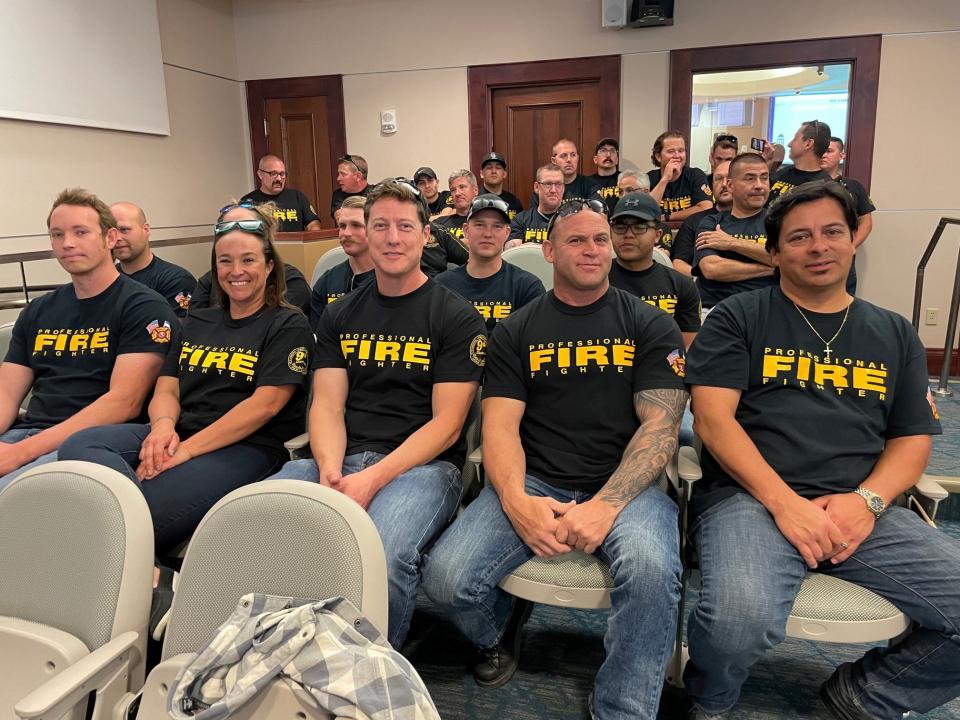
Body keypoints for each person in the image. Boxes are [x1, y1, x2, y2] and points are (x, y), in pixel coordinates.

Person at [683, 180, 959, 720]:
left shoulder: (894, 333)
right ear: (775, 252)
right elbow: (713, 423)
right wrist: (786, 504)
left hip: (861, 507)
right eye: (800, 237)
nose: (819, 247)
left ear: (854, 238)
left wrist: (867, 502)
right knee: (736, 619)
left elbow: (912, 440)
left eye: (833, 232)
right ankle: (709, 700)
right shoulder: (741, 318)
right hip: (751, 499)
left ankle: (868, 695)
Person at [423, 197, 688, 719]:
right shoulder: (517, 330)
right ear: (547, 250)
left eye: (600, 240)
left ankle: (622, 709)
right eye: (576, 240)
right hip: (537, 479)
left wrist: (605, 506)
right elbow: (499, 428)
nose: (592, 250)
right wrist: (518, 501)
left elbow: (661, 428)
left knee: (654, 572)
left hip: (624, 489)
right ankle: (501, 628)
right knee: (446, 581)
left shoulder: (650, 325)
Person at [268, 179, 487, 650]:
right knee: (261, 521)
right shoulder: (340, 313)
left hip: (422, 469)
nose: (392, 238)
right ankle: (284, 652)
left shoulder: (456, 315)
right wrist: (330, 470)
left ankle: (371, 669)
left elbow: (447, 424)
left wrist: (372, 480)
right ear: (365, 233)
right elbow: (326, 404)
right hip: (339, 458)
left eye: (405, 227)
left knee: (381, 554)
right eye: (381, 225)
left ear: (426, 235)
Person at [59, 201, 315, 554]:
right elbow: (167, 386)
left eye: (248, 260)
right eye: (225, 261)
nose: (236, 271)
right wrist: (163, 428)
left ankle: (118, 549)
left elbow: (264, 406)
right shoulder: (198, 320)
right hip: (180, 432)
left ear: (270, 266)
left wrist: (186, 452)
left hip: (246, 446)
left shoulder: (288, 323)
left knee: (140, 511)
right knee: (80, 445)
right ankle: (119, 537)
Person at [0, 188, 179, 491]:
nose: (67, 243)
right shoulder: (39, 310)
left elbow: (123, 403)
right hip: (28, 432)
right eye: (57, 235)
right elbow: (6, 394)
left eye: (80, 232)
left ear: (110, 239)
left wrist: (21, 453)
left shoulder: (144, 307)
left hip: (88, 442)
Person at [437, 194, 545, 331]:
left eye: (497, 226)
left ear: (507, 233)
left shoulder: (527, 288)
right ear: (465, 230)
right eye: (480, 225)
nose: (488, 234)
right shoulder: (443, 287)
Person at [608, 193, 700, 348]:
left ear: (657, 235)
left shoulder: (682, 286)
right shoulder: (594, 281)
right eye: (620, 227)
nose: (628, 234)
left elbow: (685, 350)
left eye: (639, 227)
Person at [693, 154, 776, 311]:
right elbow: (712, 269)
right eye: (749, 178)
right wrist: (771, 268)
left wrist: (732, 243)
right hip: (716, 309)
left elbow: (787, 260)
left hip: (767, 308)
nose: (759, 185)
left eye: (764, 178)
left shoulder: (779, 222)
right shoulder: (711, 222)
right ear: (730, 186)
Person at [111, 202, 196, 318]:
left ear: (146, 230)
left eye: (124, 229)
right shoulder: (107, 279)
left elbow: (178, 331)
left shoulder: (176, 280)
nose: (117, 238)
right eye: (111, 233)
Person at [310, 196, 375, 329]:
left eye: (356, 225)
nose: (346, 233)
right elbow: (317, 336)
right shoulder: (327, 281)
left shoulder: (390, 281)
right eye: (342, 226)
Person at [821, 136, 876, 294]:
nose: (824, 155)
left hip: (843, 258)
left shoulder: (854, 186)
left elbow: (866, 222)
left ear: (841, 155)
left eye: (829, 151)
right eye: (822, 151)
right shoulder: (805, 184)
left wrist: (850, 246)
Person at [671, 160, 733, 277]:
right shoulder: (694, 221)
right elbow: (678, 264)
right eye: (718, 179)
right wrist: (705, 280)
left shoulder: (758, 219)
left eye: (730, 179)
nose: (724, 184)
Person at [242, 155, 321, 232]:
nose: (279, 179)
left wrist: (313, 233)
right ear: (260, 174)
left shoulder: (297, 197)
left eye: (282, 174)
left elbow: (313, 223)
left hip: (294, 244)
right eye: (273, 174)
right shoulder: (248, 202)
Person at [648, 131, 714, 221]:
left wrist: (667, 216)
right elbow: (646, 211)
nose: (677, 155)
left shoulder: (696, 175)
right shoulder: (648, 178)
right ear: (658, 156)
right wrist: (665, 179)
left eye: (681, 151)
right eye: (671, 151)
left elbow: (705, 208)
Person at [766, 120, 832, 205]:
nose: (789, 144)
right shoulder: (785, 171)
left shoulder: (823, 187)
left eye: (795, 139)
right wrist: (766, 161)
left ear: (808, 144)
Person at [615, 170, 674, 259]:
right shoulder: (614, 223)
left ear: (645, 192)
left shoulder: (659, 226)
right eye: (620, 192)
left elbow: (661, 257)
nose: (623, 196)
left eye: (629, 190)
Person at [530, 139, 602, 208]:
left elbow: (599, 213)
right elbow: (536, 218)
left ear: (577, 158)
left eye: (573, 155)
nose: (569, 160)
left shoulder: (590, 185)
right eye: (563, 156)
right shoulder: (543, 188)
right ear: (553, 161)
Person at [506, 163, 564, 248]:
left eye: (558, 184)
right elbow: (510, 249)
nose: (553, 190)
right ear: (536, 187)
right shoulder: (521, 220)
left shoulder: (572, 220)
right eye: (548, 184)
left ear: (563, 188)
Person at [432, 170, 479, 240]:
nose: (457, 193)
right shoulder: (439, 225)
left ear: (475, 190)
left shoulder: (486, 222)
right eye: (453, 190)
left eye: (462, 187)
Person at [479, 152, 523, 219]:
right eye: (489, 167)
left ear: (504, 174)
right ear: (481, 174)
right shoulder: (475, 200)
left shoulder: (514, 201)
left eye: (498, 167)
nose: (494, 171)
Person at [330, 154, 371, 218]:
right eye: (339, 174)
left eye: (343, 174)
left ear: (358, 176)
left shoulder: (377, 193)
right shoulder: (338, 195)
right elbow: (341, 219)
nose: (338, 178)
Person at [589, 138, 622, 208]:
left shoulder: (625, 179)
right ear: (595, 159)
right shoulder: (587, 182)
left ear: (617, 160)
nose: (608, 155)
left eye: (612, 151)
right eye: (603, 150)